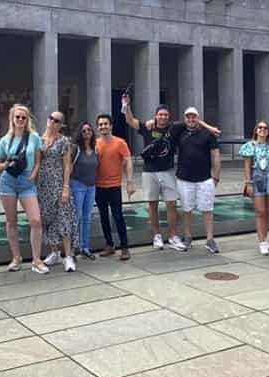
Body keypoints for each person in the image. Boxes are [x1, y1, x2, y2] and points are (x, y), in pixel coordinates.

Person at [122, 95, 180, 250]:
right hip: (149, 172)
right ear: (156, 116)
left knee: (172, 204)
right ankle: (157, 236)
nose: (163, 117)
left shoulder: (173, 129)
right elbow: (130, 121)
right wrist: (126, 106)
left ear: (169, 117)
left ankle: (173, 236)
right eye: (160, 114)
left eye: (165, 115)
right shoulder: (149, 127)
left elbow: (192, 122)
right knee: (152, 205)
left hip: (167, 171)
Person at [0, 104, 44, 273]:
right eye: (17, 117)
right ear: (12, 119)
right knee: (11, 221)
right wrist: (7, 163)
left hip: (26, 181)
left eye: (24, 117)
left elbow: (38, 160)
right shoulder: (5, 140)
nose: (20, 120)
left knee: (35, 220)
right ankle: (16, 257)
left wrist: (33, 175)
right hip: (8, 180)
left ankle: (37, 259)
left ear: (27, 119)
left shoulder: (34, 138)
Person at [171, 107, 222, 254]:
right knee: (187, 209)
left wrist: (216, 176)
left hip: (205, 178)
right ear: (184, 118)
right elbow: (172, 126)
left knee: (208, 209)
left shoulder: (208, 134)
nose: (191, 120)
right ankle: (187, 237)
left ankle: (210, 239)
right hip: (184, 179)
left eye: (194, 117)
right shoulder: (180, 132)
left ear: (198, 118)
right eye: (188, 117)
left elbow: (216, 155)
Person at [36, 110, 78, 272]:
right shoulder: (38, 140)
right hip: (43, 185)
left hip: (59, 184)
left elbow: (67, 166)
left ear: (61, 124)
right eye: (51, 118)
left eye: (57, 120)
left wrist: (66, 187)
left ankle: (68, 256)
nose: (53, 122)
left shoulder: (64, 141)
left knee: (64, 218)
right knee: (48, 219)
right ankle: (54, 253)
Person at [94, 113, 134, 259]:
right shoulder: (95, 143)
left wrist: (129, 182)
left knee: (118, 216)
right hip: (99, 186)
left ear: (111, 126)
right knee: (103, 216)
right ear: (98, 127)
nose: (103, 126)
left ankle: (124, 247)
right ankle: (109, 244)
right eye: (100, 124)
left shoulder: (120, 143)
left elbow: (128, 160)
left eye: (105, 124)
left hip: (114, 185)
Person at [240, 121, 269, 255]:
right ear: (256, 130)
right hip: (257, 180)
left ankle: (265, 238)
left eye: (265, 128)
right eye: (260, 127)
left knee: (268, 211)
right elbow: (247, 165)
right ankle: (261, 241)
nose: (263, 129)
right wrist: (248, 182)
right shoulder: (250, 146)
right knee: (260, 211)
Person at [69, 121, 100, 260]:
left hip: (91, 186)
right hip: (78, 185)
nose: (87, 133)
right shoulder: (76, 149)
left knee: (87, 218)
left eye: (89, 130)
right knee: (76, 217)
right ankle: (72, 248)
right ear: (80, 134)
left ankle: (85, 247)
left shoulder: (96, 149)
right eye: (84, 131)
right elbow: (68, 167)